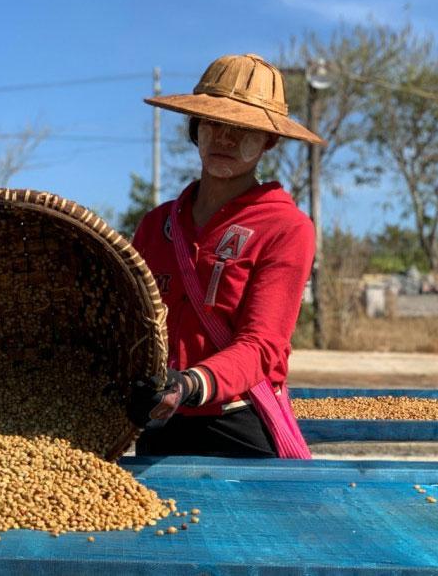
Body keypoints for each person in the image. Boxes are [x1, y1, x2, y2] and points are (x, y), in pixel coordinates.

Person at [126, 54, 325, 458]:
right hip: (160, 420)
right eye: (214, 123)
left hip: (234, 420)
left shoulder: (287, 229)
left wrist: (188, 384)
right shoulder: (155, 225)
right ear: (195, 127)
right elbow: (130, 322)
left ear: (269, 141)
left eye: (243, 129)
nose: (225, 138)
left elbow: (262, 345)